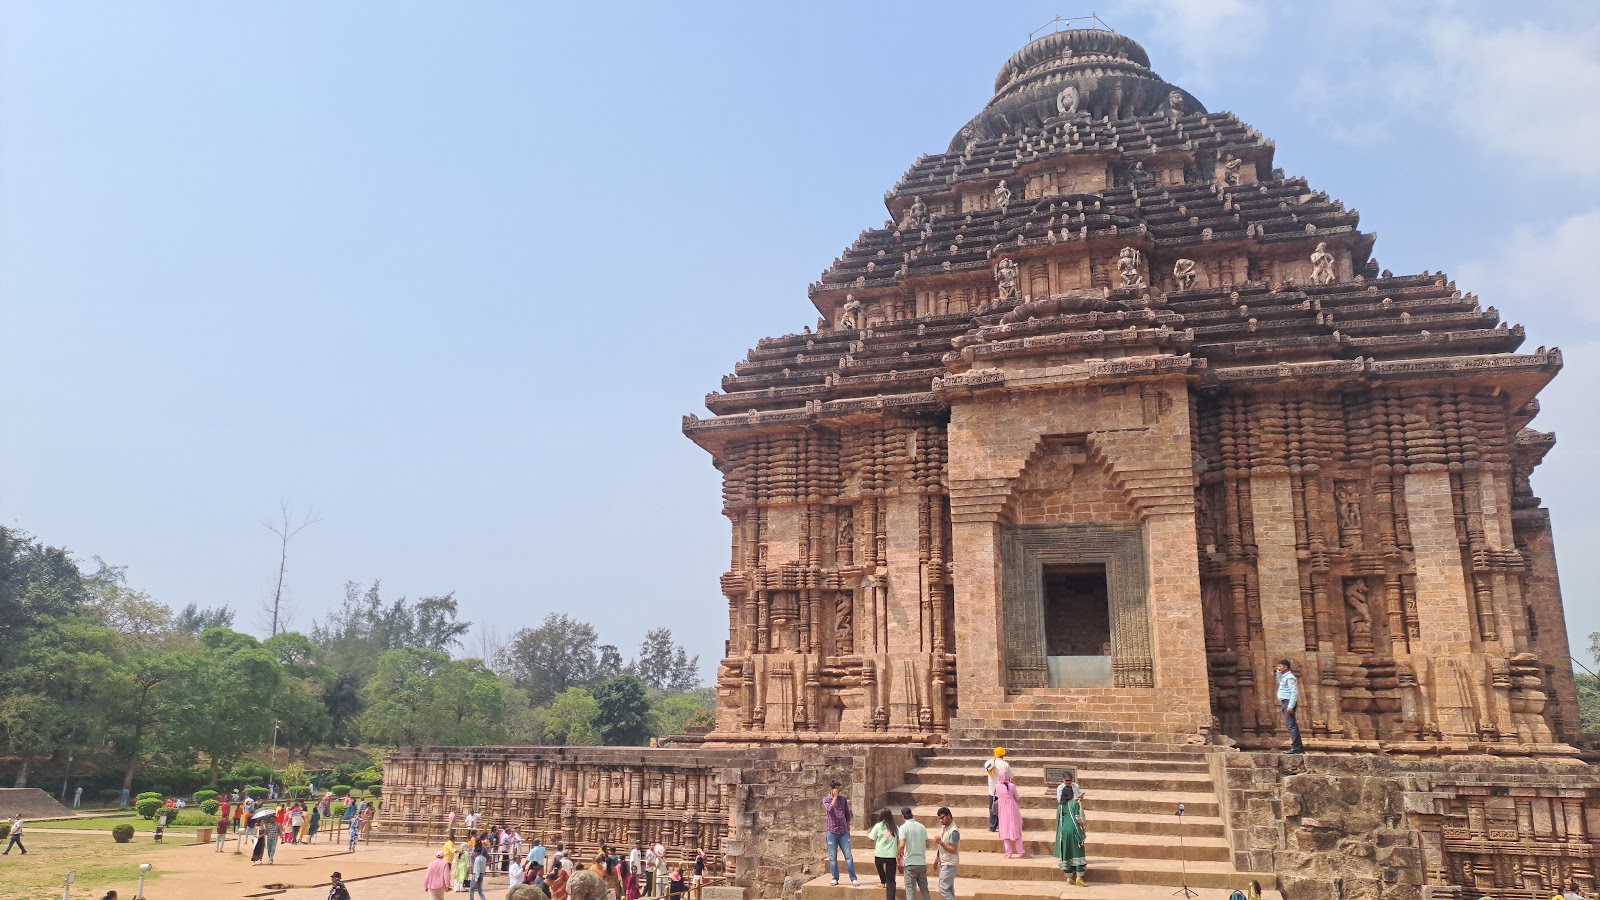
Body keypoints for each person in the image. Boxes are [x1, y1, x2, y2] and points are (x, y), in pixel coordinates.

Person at [823, 779, 860, 887]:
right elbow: (829, 809)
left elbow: (847, 814)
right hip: (832, 832)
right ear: (831, 789)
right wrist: (834, 798)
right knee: (832, 857)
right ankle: (835, 878)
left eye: (839, 790)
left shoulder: (843, 799)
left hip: (843, 831)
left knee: (848, 856)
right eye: (836, 789)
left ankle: (853, 878)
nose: (838, 792)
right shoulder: (826, 799)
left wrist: (848, 826)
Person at [1054, 775, 1087, 886]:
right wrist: (1082, 826)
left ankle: (1069, 877)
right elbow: (1078, 819)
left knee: (1067, 853)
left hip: (1063, 831)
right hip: (1074, 830)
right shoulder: (1075, 804)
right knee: (1078, 852)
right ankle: (1079, 878)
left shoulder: (1061, 806)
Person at [896, 807, 930, 900]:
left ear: (902, 816)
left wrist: (897, 855)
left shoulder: (903, 828)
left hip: (910, 863)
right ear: (912, 814)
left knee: (911, 891)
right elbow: (927, 844)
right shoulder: (921, 826)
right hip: (921, 863)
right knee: (925, 890)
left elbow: (902, 844)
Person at [994, 767, 1025, 858]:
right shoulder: (1011, 786)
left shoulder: (997, 786)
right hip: (1012, 809)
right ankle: (1021, 852)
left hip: (1002, 811)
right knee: (1016, 831)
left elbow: (997, 796)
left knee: (1005, 831)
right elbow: (1017, 797)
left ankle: (1008, 853)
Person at [1276, 659, 1305, 754]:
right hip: (1285, 702)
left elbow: (1294, 692)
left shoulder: (1290, 677)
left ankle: (1297, 747)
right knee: (1291, 725)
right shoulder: (1285, 677)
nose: (1278, 668)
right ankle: (1297, 747)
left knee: (1291, 725)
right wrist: (1278, 673)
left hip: (1288, 702)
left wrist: (1290, 706)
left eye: (1280, 666)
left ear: (1286, 667)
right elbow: (1280, 682)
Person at [868, 808, 898, 900]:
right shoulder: (896, 827)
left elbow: (871, 839)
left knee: (879, 867)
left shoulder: (878, 826)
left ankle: (882, 881)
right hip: (892, 855)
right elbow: (900, 840)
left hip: (880, 854)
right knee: (891, 880)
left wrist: (869, 833)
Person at [934, 807, 959, 900]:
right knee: (949, 888)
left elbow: (953, 849)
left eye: (942, 818)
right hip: (944, 861)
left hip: (950, 863)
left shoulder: (954, 831)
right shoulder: (945, 827)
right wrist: (937, 858)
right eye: (939, 818)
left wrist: (940, 842)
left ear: (949, 816)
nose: (941, 820)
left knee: (943, 888)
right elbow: (941, 846)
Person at [982, 748, 1009, 832]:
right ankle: (1003, 826)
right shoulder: (1005, 764)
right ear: (1003, 755)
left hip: (992, 790)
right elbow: (1011, 775)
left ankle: (992, 826)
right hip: (1003, 790)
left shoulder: (989, 762)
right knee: (1003, 808)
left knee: (992, 808)